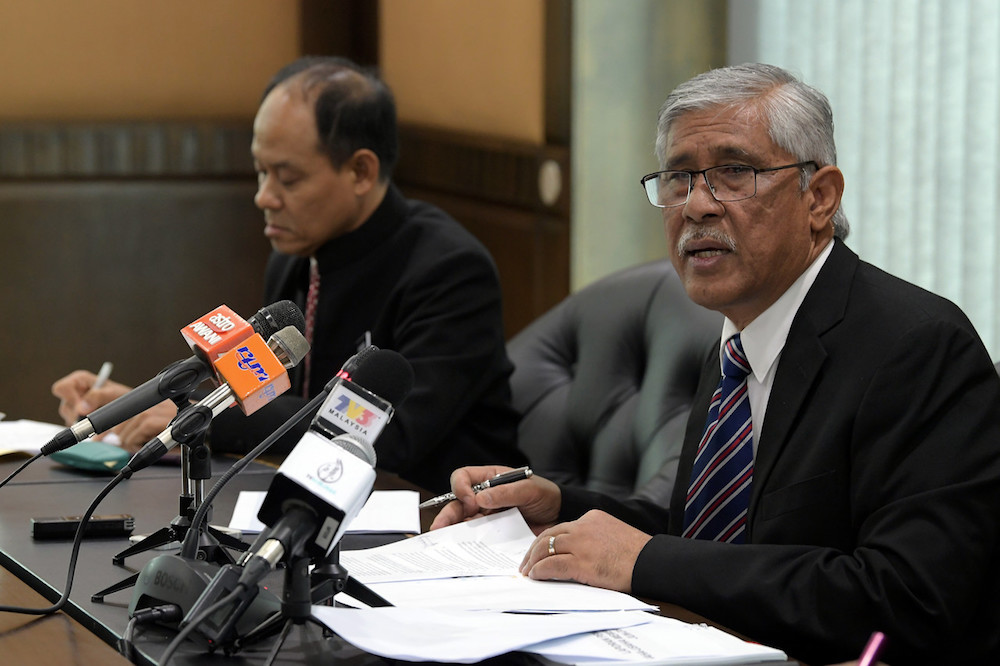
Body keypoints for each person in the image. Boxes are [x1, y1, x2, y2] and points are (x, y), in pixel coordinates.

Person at [430, 63, 1000, 664]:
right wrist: (559, 508)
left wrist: (645, 561)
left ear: (820, 197)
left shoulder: (919, 348)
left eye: (735, 172)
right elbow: (710, 536)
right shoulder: (736, 339)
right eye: (679, 178)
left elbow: (906, 600)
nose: (697, 205)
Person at [52, 56, 527, 493]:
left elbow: (390, 436)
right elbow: (262, 392)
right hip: (305, 496)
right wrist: (153, 406)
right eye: (261, 172)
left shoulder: (450, 270)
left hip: (433, 519)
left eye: (288, 178)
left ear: (361, 171)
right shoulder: (296, 253)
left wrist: (206, 416)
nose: (264, 196)